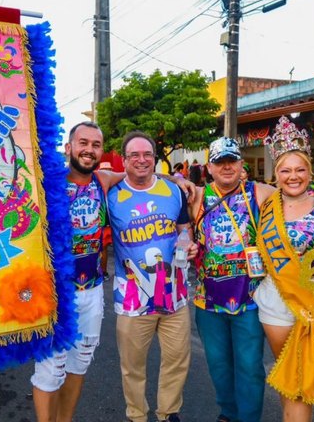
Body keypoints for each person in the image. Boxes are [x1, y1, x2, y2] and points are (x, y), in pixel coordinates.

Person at [252, 116, 314, 421]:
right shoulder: (267, 204)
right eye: (285, 170)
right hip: (273, 303)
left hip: (312, 306)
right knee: (288, 378)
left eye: (300, 170)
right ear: (276, 174)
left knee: (299, 383)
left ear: (310, 172)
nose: (293, 176)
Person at [108, 130, 198, 422]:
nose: (141, 160)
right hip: (133, 302)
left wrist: (187, 239)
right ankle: (136, 415)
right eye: (134, 155)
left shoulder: (173, 191)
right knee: (132, 366)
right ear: (124, 160)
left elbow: (184, 227)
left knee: (177, 360)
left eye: (147, 154)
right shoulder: (112, 195)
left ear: (155, 158)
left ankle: (168, 412)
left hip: (175, 298)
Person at [32, 122, 118, 422]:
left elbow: (140, 173)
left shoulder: (102, 180)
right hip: (56, 292)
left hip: (93, 289)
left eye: (96, 145)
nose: (89, 150)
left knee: (79, 362)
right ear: (68, 147)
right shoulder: (48, 183)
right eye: (83, 143)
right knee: (50, 366)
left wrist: (178, 179)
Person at [188, 137, 274, 422]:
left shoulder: (260, 192)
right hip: (207, 299)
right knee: (219, 364)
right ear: (209, 167)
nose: (226, 167)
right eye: (219, 162)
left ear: (241, 164)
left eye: (232, 161)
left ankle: (248, 418)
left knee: (249, 365)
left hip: (250, 299)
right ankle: (228, 413)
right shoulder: (197, 197)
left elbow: (296, 193)